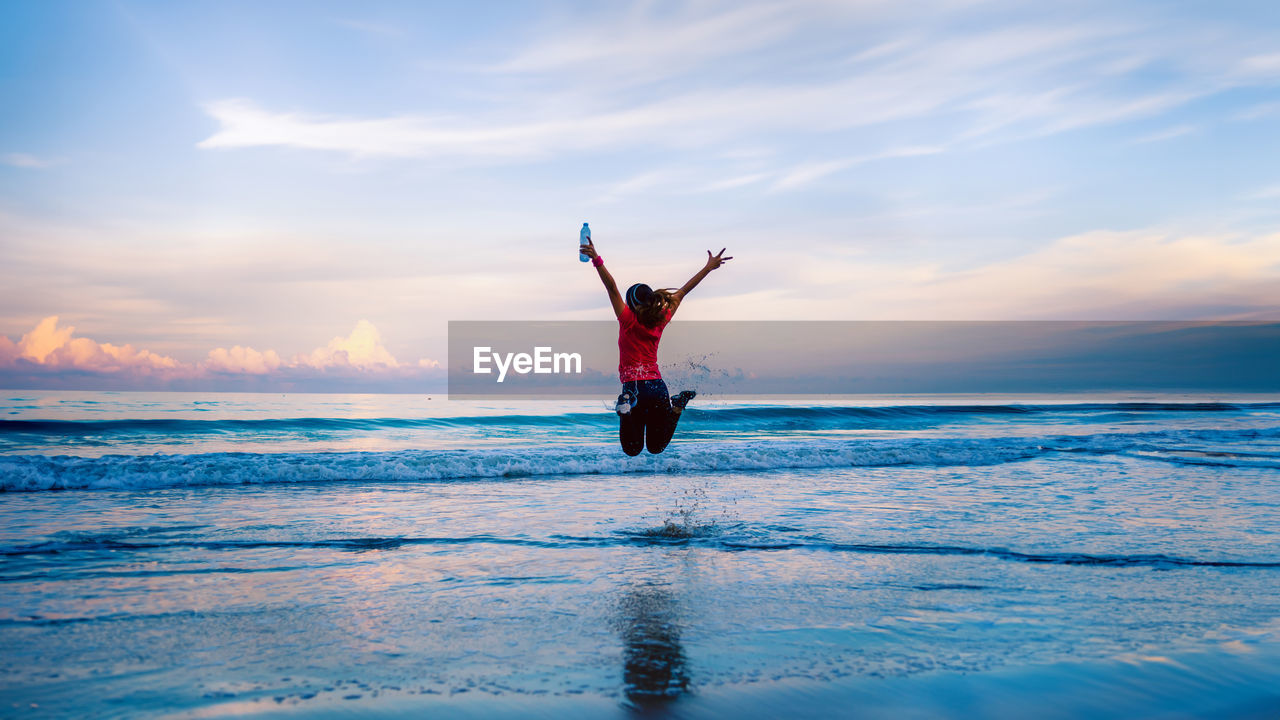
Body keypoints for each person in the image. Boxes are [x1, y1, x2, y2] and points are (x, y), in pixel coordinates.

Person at [579, 237, 732, 456]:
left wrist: (597, 259)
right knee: (655, 447)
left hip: (634, 388)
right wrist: (708, 268)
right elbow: (683, 291)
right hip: (658, 389)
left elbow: (611, 287)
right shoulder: (661, 319)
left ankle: (625, 410)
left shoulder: (628, 319)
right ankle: (677, 406)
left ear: (631, 303)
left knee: (632, 450)